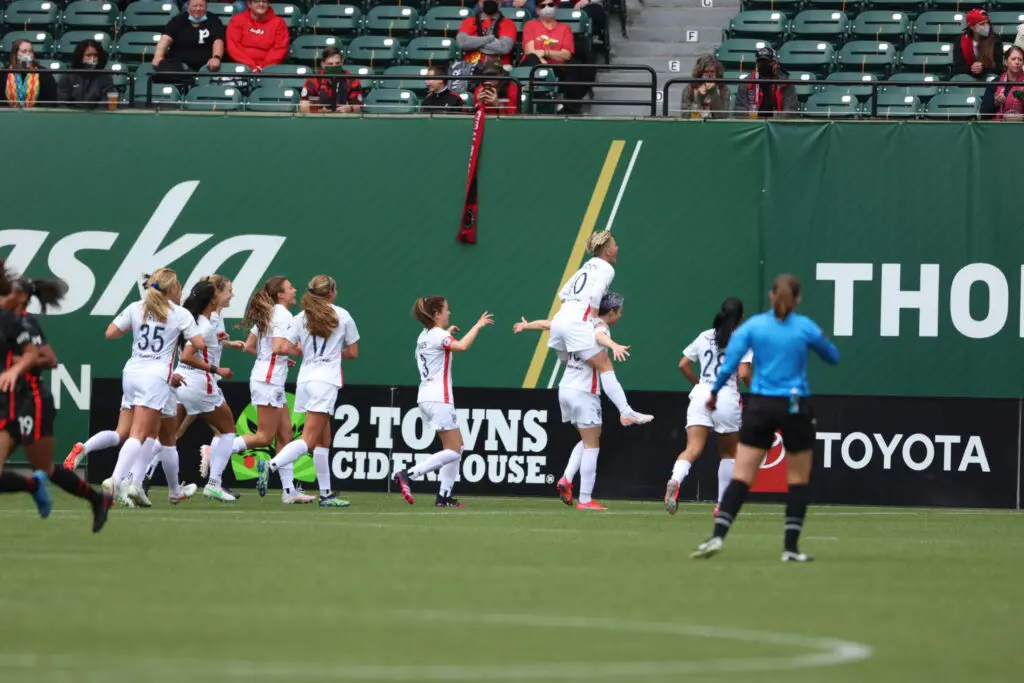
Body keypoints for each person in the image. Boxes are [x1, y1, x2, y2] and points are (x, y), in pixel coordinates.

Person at [691, 275, 839, 563]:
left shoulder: (754, 326)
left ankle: (718, 536)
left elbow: (730, 364)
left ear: (772, 297)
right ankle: (790, 549)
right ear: (797, 299)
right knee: (797, 480)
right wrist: (820, 337)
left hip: (760, 406)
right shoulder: (804, 326)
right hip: (795, 406)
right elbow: (832, 357)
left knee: (742, 476)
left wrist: (714, 392)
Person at [0, 270, 114, 532]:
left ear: (21, 298)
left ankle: (96, 499)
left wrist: (17, 364)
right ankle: (37, 486)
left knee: (44, 467)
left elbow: (49, 360)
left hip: (30, 400)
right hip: (7, 402)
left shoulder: (25, 324)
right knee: (41, 469)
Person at [198, 276, 312, 504]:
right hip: (268, 380)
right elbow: (280, 347)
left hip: (268, 378)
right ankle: (218, 451)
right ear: (280, 294)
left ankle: (289, 491)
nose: (294, 290)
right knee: (264, 436)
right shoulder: (282, 314)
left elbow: (251, 346)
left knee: (285, 434)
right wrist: (298, 350)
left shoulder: (269, 312)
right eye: (290, 288)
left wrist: (279, 358)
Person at [514, 292, 631, 510]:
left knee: (588, 438)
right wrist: (614, 345)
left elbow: (548, 324)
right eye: (620, 312)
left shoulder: (576, 324)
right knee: (592, 445)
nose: (621, 316)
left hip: (566, 388)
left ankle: (567, 479)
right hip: (584, 391)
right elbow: (600, 336)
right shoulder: (599, 326)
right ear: (611, 311)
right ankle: (585, 499)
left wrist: (527, 326)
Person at [104, 268, 205, 507]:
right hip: (156, 377)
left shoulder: (136, 308)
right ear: (171, 290)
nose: (181, 290)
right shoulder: (179, 314)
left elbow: (110, 333)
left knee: (158, 433)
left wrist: (141, 329)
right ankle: (116, 479)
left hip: (132, 372)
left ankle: (146, 486)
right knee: (138, 434)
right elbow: (199, 343)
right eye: (178, 286)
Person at [256, 276, 359, 508]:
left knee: (323, 439)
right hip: (325, 381)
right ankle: (271, 465)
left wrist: (305, 352)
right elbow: (352, 352)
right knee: (308, 440)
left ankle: (326, 494)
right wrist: (332, 355)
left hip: (305, 380)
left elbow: (281, 347)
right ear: (331, 292)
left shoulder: (301, 317)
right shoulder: (342, 315)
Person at [393, 298, 493, 507]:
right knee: (453, 451)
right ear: (437, 314)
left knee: (457, 448)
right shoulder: (440, 335)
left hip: (426, 397)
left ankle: (444, 497)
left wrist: (449, 333)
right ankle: (408, 474)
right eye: (446, 310)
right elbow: (462, 347)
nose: (449, 312)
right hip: (440, 398)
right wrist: (478, 326)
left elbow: (439, 347)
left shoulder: (425, 335)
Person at [546, 231, 653, 427]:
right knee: (605, 365)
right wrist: (593, 319)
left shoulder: (584, 268)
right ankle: (626, 412)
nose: (617, 248)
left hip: (559, 320)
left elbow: (563, 294)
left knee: (569, 364)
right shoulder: (606, 269)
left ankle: (575, 401)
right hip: (576, 323)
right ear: (607, 252)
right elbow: (595, 295)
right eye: (614, 245)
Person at [664, 298, 752, 516]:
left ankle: (675, 479)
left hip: (702, 395)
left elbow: (683, 364)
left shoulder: (705, 335)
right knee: (729, 453)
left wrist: (698, 384)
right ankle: (722, 505)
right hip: (726, 396)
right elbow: (743, 373)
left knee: (692, 448)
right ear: (741, 317)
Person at [171, 278, 242, 502]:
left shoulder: (193, 320)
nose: (231, 295)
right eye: (228, 291)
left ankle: (130, 478)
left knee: (169, 436)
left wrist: (219, 342)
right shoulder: (203, 324)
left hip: (181, 381)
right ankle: (214, 484)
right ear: (212, 299)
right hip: (200, 384)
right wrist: (216, 369)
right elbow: (187, 355)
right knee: (228, 430)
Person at [521, 0, 592, 114]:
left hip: (557, 68)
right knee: (533, 58)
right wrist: (546, 64)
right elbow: (530, 50)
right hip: (535, 65)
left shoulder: (565, 28)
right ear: (538, 10)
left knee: (575, 65)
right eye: (543, 6)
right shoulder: (530, 25)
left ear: (556, 7)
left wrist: (544, 52)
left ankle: (569, 107)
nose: (547, 8)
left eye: (551, 5)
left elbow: (566, 54)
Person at [153, 0, 227, 85]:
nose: (198, 9)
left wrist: (216, 57)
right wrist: (158, 56)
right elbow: (165, 39)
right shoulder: (178, 20)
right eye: (194, 6)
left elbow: (218, 41)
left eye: (201, 6)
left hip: (207, 67)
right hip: (180, 68)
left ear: (206, 7)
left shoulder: (214, 20)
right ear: (188, 7)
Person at [954, 9, 1004, 115]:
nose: (987, 26)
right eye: (982, 24)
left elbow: (999, 67)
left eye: (987, 23)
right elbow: (957, 67)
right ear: (972, 26)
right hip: (967, 81)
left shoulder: (996, 39)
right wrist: (971, 69)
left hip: (991, 82)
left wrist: (983, 68)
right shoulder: (960, 41)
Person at [734, 46, 797, 119]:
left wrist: (774, 120)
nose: (764, 64)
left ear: (776, 64)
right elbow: (740, 110)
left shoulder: (785, 84)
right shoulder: (746, 83)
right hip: (753, 124)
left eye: (768, 62)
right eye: (761, 62)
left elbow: (791, 110)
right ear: (756, 64)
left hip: (778, 125)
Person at [227, 0, 289, 72]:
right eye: (257, 1)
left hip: (269, 69)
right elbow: (234, 46)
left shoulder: (279, 22)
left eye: (264, 1)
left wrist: (263, 67)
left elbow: (280, 48)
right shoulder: (237, 20)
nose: (261, 4)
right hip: (242, 67)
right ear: (249, 4)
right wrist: (251, 66)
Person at [299, 47, 362, 114]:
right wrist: (318, 112)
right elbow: (303, 106)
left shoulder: (352, 80)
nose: (334, 66)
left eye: (337, 63)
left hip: (344, 119)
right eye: (330, 64)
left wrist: (350, 108)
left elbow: (358, 108)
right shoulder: (314, 79)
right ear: (323, 64)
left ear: (342, 62)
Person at [58, 39, 117, 109]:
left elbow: (106, 103)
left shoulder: (105, 76)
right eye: (88, 55)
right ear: (80, 56)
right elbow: (62, 102)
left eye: (95, 55)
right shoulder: (68, 76)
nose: (92, 58)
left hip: (98, 116)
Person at [456, 0, 517, 68]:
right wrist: (489, 39)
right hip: (469, 68)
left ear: (500, 3)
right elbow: (462, 42)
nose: (490, 2)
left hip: (498, 68)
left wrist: (473, 44)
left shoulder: (508, 23)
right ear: (479, 2)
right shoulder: (469, 21)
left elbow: (504, 47)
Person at [4, 40, 58, 108]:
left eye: (30, 51)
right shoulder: (4, 72)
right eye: (24, 51)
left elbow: (50, 100)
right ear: (15, 54)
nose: (28, 54)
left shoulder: (44, 73)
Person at [683, 55, 729, 119]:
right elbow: (685, 116)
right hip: (695, 126)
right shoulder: (690, 88)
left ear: (717, 73)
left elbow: (723, 116)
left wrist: (713, 92)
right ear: (700, 73)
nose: (709, 75)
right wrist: (699, 97)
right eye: (706, 72)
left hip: (716, 126)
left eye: (712, 72)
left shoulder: (723, 89)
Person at [994, 45, 1024, 120]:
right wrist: (996, 103)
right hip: (999, 126)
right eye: (1013, 59)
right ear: (1006, 62)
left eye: (1020, 60)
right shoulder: (995, 82)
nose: (1017, 62)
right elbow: (983, 111)